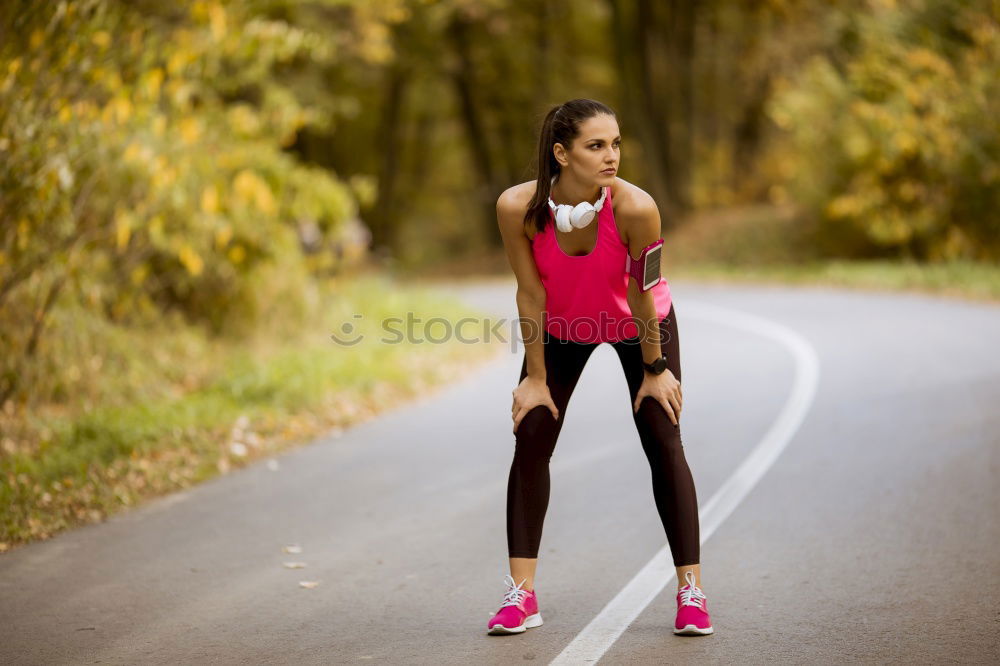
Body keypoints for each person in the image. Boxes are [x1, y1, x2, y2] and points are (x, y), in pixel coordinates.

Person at [486, 99, 713, 637]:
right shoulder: (516, 207)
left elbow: (647, 288)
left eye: (616, 143)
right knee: (533, 430)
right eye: (596, 146)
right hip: (564, 327)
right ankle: (521, 596)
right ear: (561, 154)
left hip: (640, 327)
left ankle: (691, 592)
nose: (611, 156)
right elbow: (529, 290)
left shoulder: (637, 208)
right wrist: (535, 379)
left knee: (663, 434)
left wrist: (655, 368)